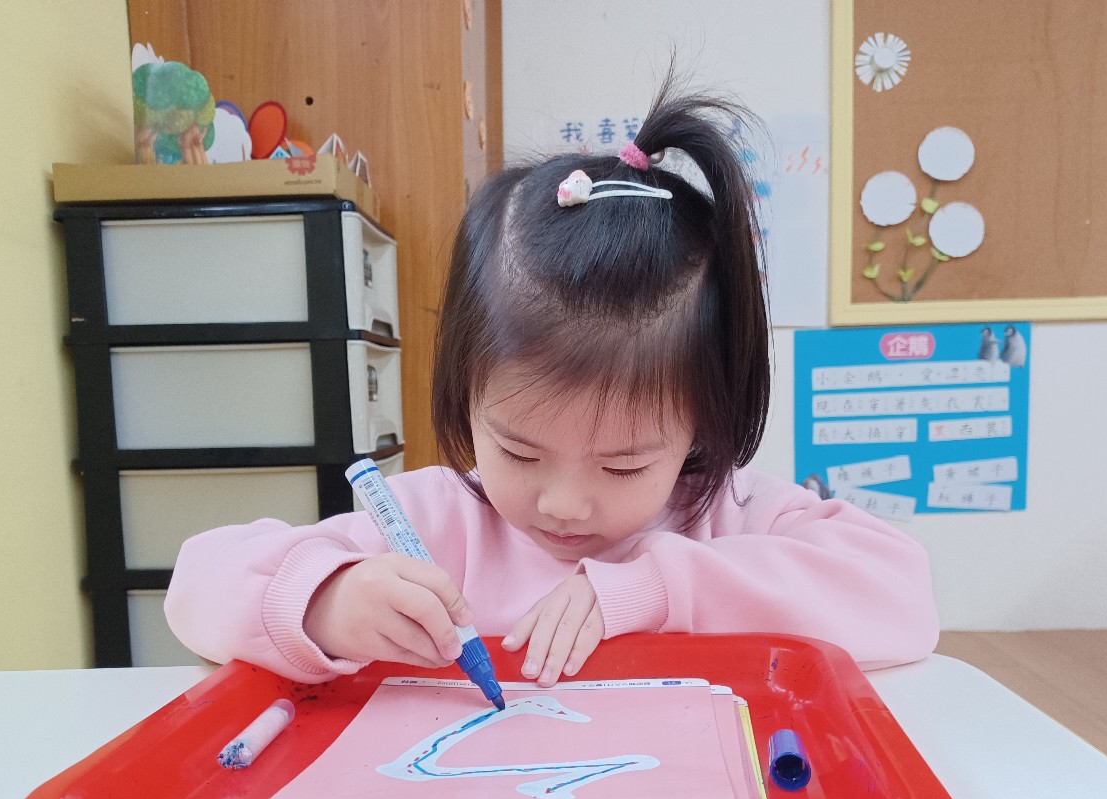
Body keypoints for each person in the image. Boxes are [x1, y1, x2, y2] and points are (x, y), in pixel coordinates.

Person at [165, 74, 939, 687]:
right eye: (519, 452)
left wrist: (655, 589)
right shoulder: (434, 524)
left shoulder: (727, 516)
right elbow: (198, 582)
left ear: (702, 420)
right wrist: (325, 601)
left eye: (623, 466)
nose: (563, 505)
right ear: (466, 395)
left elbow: (901, 595)